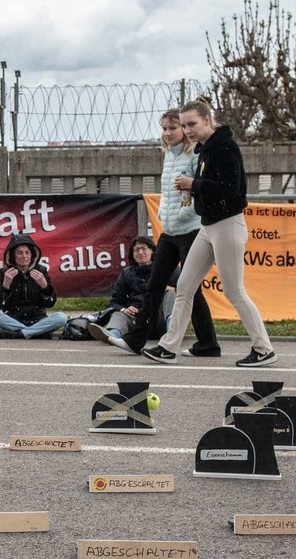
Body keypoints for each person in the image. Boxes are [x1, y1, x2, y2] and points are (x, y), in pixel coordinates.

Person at [140, 98, 276, 368]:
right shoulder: (205, 149)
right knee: (185, 286)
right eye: (184, 125)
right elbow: (210, 186)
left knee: (234, 290)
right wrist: (195, 188)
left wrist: (194, 184)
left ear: (206, 120)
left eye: (191, 124)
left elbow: (231, 190)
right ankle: (168, 347)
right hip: (208, 225)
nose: (187, 130)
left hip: (228, 224)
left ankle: (264, 349)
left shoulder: (224, 147)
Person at [108, 108, 219, 356]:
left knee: (190, 289)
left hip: (191, 230)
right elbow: (169, 194)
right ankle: (136, 340)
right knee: (155, 285)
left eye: (173, 128)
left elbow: (197, 194)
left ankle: (208, 343)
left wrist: (181, 215)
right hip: (170, 231)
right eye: (164, 128)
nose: (167, 133)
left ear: (185, 129)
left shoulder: (195, 155)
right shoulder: (169, 154)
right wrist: (164, 215)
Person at [88, 236, 177, 342]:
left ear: (152, 251)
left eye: (143, 248)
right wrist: (125, 309)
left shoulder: (167, 268)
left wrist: (169, 288)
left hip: (159, 318)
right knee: (119, 314)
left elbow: (185, 291)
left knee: (171, 294)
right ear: (132, 254)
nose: (140, 252)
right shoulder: (126, 274)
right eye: (136, 250)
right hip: (137, 320)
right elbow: (115, 302)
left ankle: (173, 331)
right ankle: (112, 335)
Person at [0, 234, 68, 339]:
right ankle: (37, 332)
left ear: (32, 255)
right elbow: (1, 305)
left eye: (27, 252)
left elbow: (50, 304)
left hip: (38, 319)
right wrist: (6, 285)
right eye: (19, 253)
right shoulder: (5, 272)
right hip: (14, 319)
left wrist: (45, 286)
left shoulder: (41, 270)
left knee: (61, 318)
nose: (24, 256)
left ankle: (20, 334)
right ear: (13, 256)